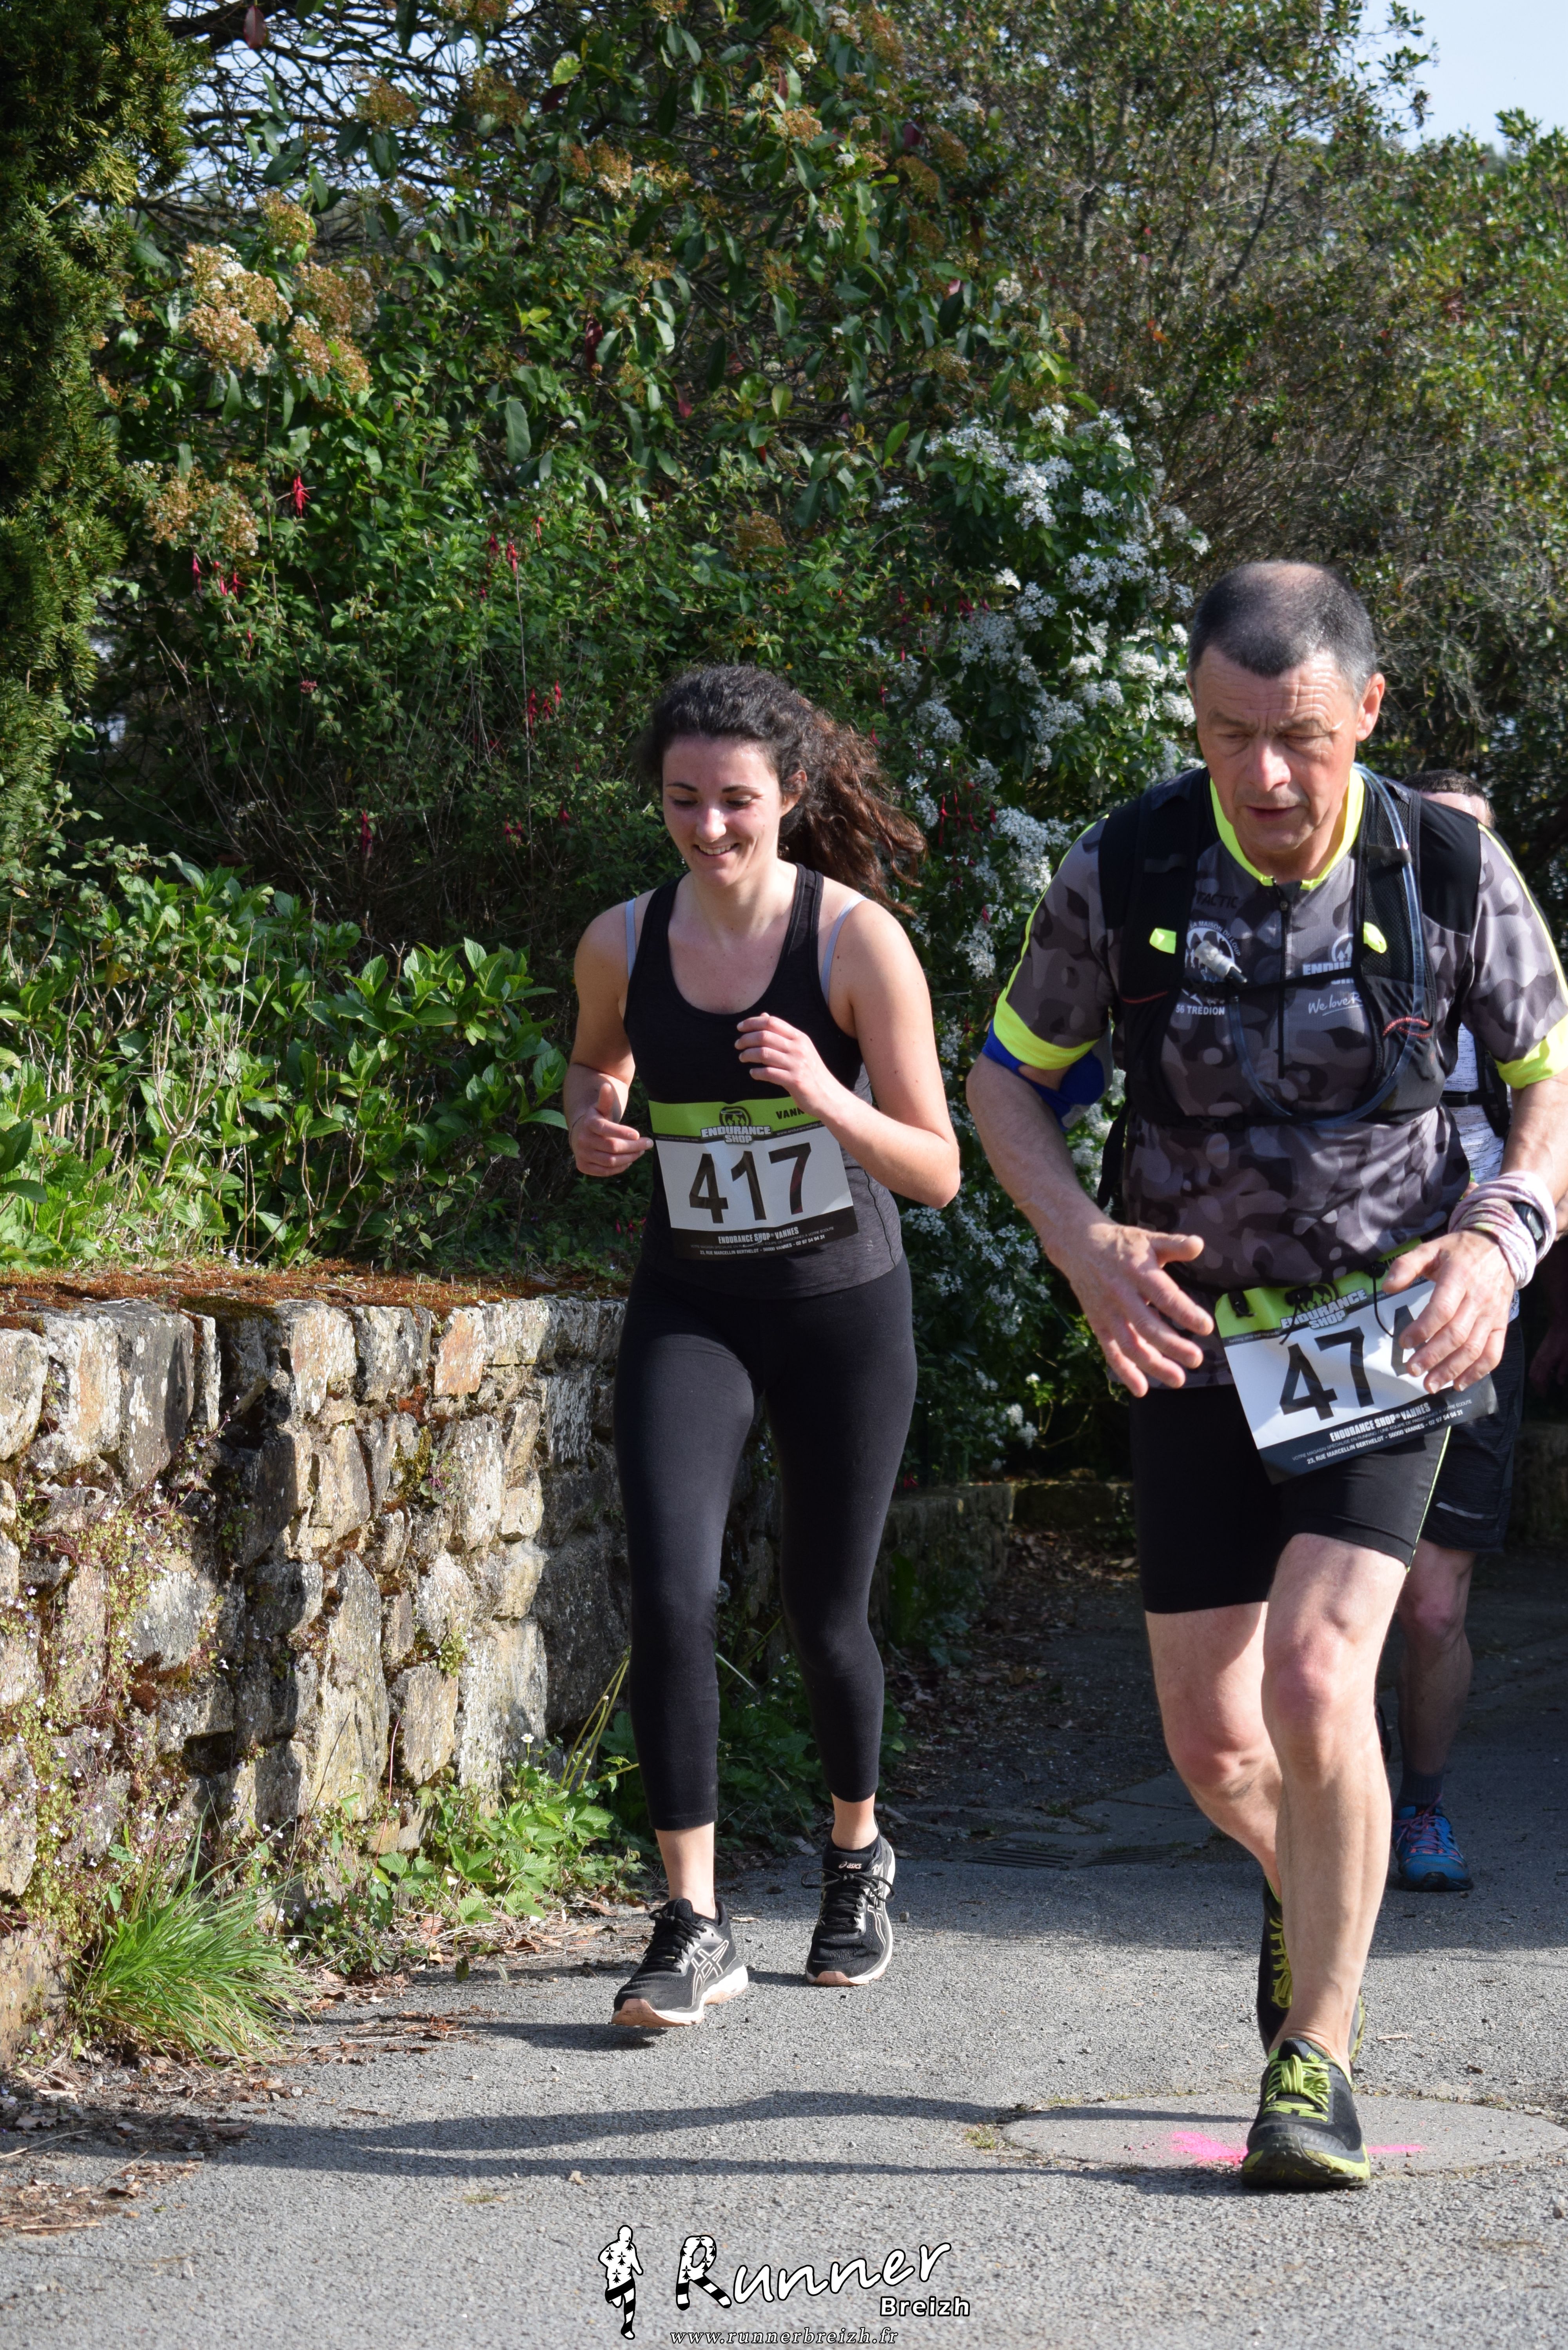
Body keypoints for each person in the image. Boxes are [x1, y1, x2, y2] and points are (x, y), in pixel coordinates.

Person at [967, 563, 1568, 2189]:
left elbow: (1548, 1079)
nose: (1268, 775)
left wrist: (1500, 1241)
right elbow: (1007, 1079)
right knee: (1215, 1742)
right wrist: (1085, 1242)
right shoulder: (1131, 864)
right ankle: (1314, 1874)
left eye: (1298, 734)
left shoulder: (1447, 866)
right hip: (1189, 1338)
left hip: (1386, 1327)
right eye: (1229, 735)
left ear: (1366, 709)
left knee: (1316, 1678)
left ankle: (1317, 2056)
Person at [566, 664, 959, 2029]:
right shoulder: (622, 938)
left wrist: (825, 1095)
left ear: (789, 793)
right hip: (695, 1305)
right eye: (683, 800)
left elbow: (938, 1169)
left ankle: (857, 1853)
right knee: (671, 1594)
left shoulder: (856, 943)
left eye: (736, 800)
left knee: (823, 1609)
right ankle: (694, 1920)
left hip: (843, 1311)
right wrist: (594, 1117)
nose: (710, 827)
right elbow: (597, 1062)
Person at [1387, 773, 1524, 1893]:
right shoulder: (1345, 959)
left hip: (1478, 1316)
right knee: (1326, 1586)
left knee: (1432, 1601)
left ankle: (1421, 1809)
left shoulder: (1530, 995)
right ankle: (1322, 1806)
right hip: (1342, 1315)